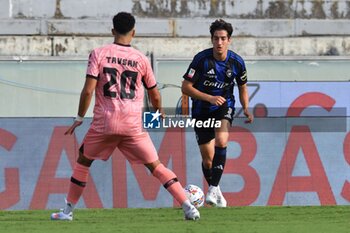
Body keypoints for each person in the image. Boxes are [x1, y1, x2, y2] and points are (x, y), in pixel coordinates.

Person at [51, 12, 199, 221]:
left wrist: (79, 117)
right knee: (156, 166)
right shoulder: (141, 59)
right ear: (134, 32)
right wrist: (159, 113)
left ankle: (67, 212)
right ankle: (188, 207)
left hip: (105, 122)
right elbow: (154, 94)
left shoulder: (98, 54)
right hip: (132, 125)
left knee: (83, 161)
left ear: (113, 31)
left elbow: (88, 91)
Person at [181, 19, 253, 207]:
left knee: (222, 140)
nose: (219, 42)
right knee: (208, 160)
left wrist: (246, 107)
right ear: (211, 39)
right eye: (215, 38)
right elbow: (186, 87)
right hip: (201, 110)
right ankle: (216, 189)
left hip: (224, 106)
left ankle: (212, 189)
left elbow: (242, 87)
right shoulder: (201, 60)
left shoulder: (237, 62)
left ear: (229, 40)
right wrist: (209, 98)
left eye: (223, 38)